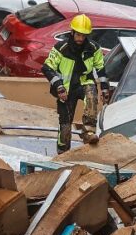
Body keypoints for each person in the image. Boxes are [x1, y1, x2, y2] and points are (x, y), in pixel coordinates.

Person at [41, 14, 109, 153]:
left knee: (91, 95)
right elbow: (47, 67)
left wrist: (105, 89)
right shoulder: (61, 48)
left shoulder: (93, 48)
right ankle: (62, 151)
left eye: (84, 35)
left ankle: (88, 133)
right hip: (65, 89)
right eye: (78, 35)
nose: (80, 38)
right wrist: (58, 86)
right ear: (72, 32)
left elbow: (100, 68)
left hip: (84, 82)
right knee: (65, 125)